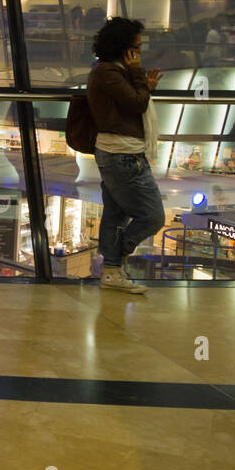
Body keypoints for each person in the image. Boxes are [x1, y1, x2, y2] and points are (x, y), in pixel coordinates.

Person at [87, 17, 165, 293]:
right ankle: (115, 257)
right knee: (154, 217)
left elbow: (133, 100)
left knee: (115, 214)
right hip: (122, 154)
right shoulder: (109, 73)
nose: (139, 53)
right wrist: (139, 75)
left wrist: (141, 81)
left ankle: (111, 273)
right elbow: (137, 103)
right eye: (136, 48)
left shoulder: (111, 71)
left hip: (121, 153)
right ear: (123, 48)